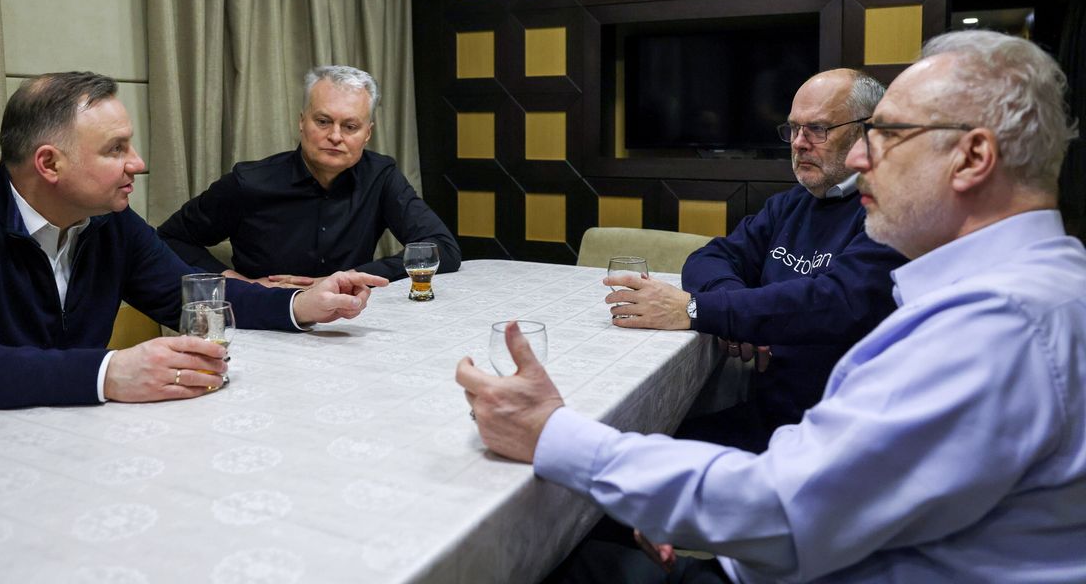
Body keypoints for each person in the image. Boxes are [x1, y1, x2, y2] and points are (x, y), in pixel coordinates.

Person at [458, 30, 1086, 582]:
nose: (863, 159)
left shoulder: (999, 325)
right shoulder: (1028, 289)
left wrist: (552, 433)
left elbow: (782, 512)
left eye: (888, 135)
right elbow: (721, 261)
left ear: (973, 157)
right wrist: (739, 310)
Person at [0, 72, 386, 426]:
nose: (138, 163)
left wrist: (301, 304)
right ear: (49, 164)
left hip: (63, 435)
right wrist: (108, 372)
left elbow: (191, 298)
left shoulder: (111, 224)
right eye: (116, 149)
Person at [605, 69, 905, 450]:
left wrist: (701, 309)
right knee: (625, 446)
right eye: (793, 129)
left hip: (836, 436)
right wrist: (744, 318)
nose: (798, 143)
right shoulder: (791, 204)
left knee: (624, 461)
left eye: (817, 129)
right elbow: (711, 257)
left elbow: (834, 301)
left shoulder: (889, 213)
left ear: (868, 131)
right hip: (767, 415)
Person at [157, 64, 460, 286]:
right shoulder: (249, 182)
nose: (336, 136)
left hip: (348, 317)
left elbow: (443, 249)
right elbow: (171, 238)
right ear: (302, 122)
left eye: (350, 127)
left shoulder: (380, 177)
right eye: (324, 121)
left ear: (367, 134)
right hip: (266, 317)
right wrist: (236, 282)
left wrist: (348, 278)